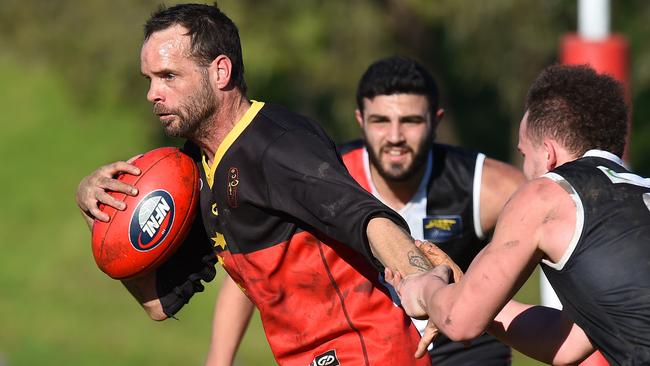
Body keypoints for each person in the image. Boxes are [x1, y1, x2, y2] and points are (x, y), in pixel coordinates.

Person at [75, 4, 461, 365]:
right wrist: (103, 218)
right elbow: (157, 302)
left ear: (220, 72)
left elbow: (366, 217)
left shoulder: (277, 145)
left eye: (168, 77)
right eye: (149, 79)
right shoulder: (196, 169)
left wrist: (421, 278)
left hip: (366, 351)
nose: (152, 94)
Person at [205, 56, 524, 365]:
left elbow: (561, 232)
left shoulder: (483, 185)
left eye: (410, 121)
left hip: (463, 350)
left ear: (436, 121)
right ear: (360, 120)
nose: (395, 137)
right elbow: (257, 263)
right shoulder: (321, 176)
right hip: (373, 347)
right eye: (380, 121)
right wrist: (219, 359)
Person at [388, 64, 650, 365]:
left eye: (524, 154)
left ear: (548, 154)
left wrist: (422, 289)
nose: (524, 170)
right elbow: (566, 342)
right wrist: (467, 295)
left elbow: (458, 322)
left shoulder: (546, 193)